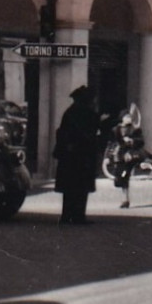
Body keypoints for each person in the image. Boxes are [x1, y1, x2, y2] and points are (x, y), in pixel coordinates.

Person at [53, 85, 105, 225]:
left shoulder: (70, 112)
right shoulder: (85, 113)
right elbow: (94, 127)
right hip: (82, 155)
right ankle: (78, 216)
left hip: (70, 156)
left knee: (69, 188)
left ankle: (67, 215)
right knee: (81, 188)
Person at [112, 103, 144, 209]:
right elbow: (112, 143)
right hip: (119, 157)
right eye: (126, 117)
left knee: (125, 177)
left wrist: (132, 141)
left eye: (129, 116)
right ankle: (125, 198)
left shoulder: (135, 129)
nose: (129, 118)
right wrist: (107, 157)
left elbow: (141, 141)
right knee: (119, 178)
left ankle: (125, 200)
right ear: (122, 118)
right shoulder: (116, 129)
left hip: (130, 156)